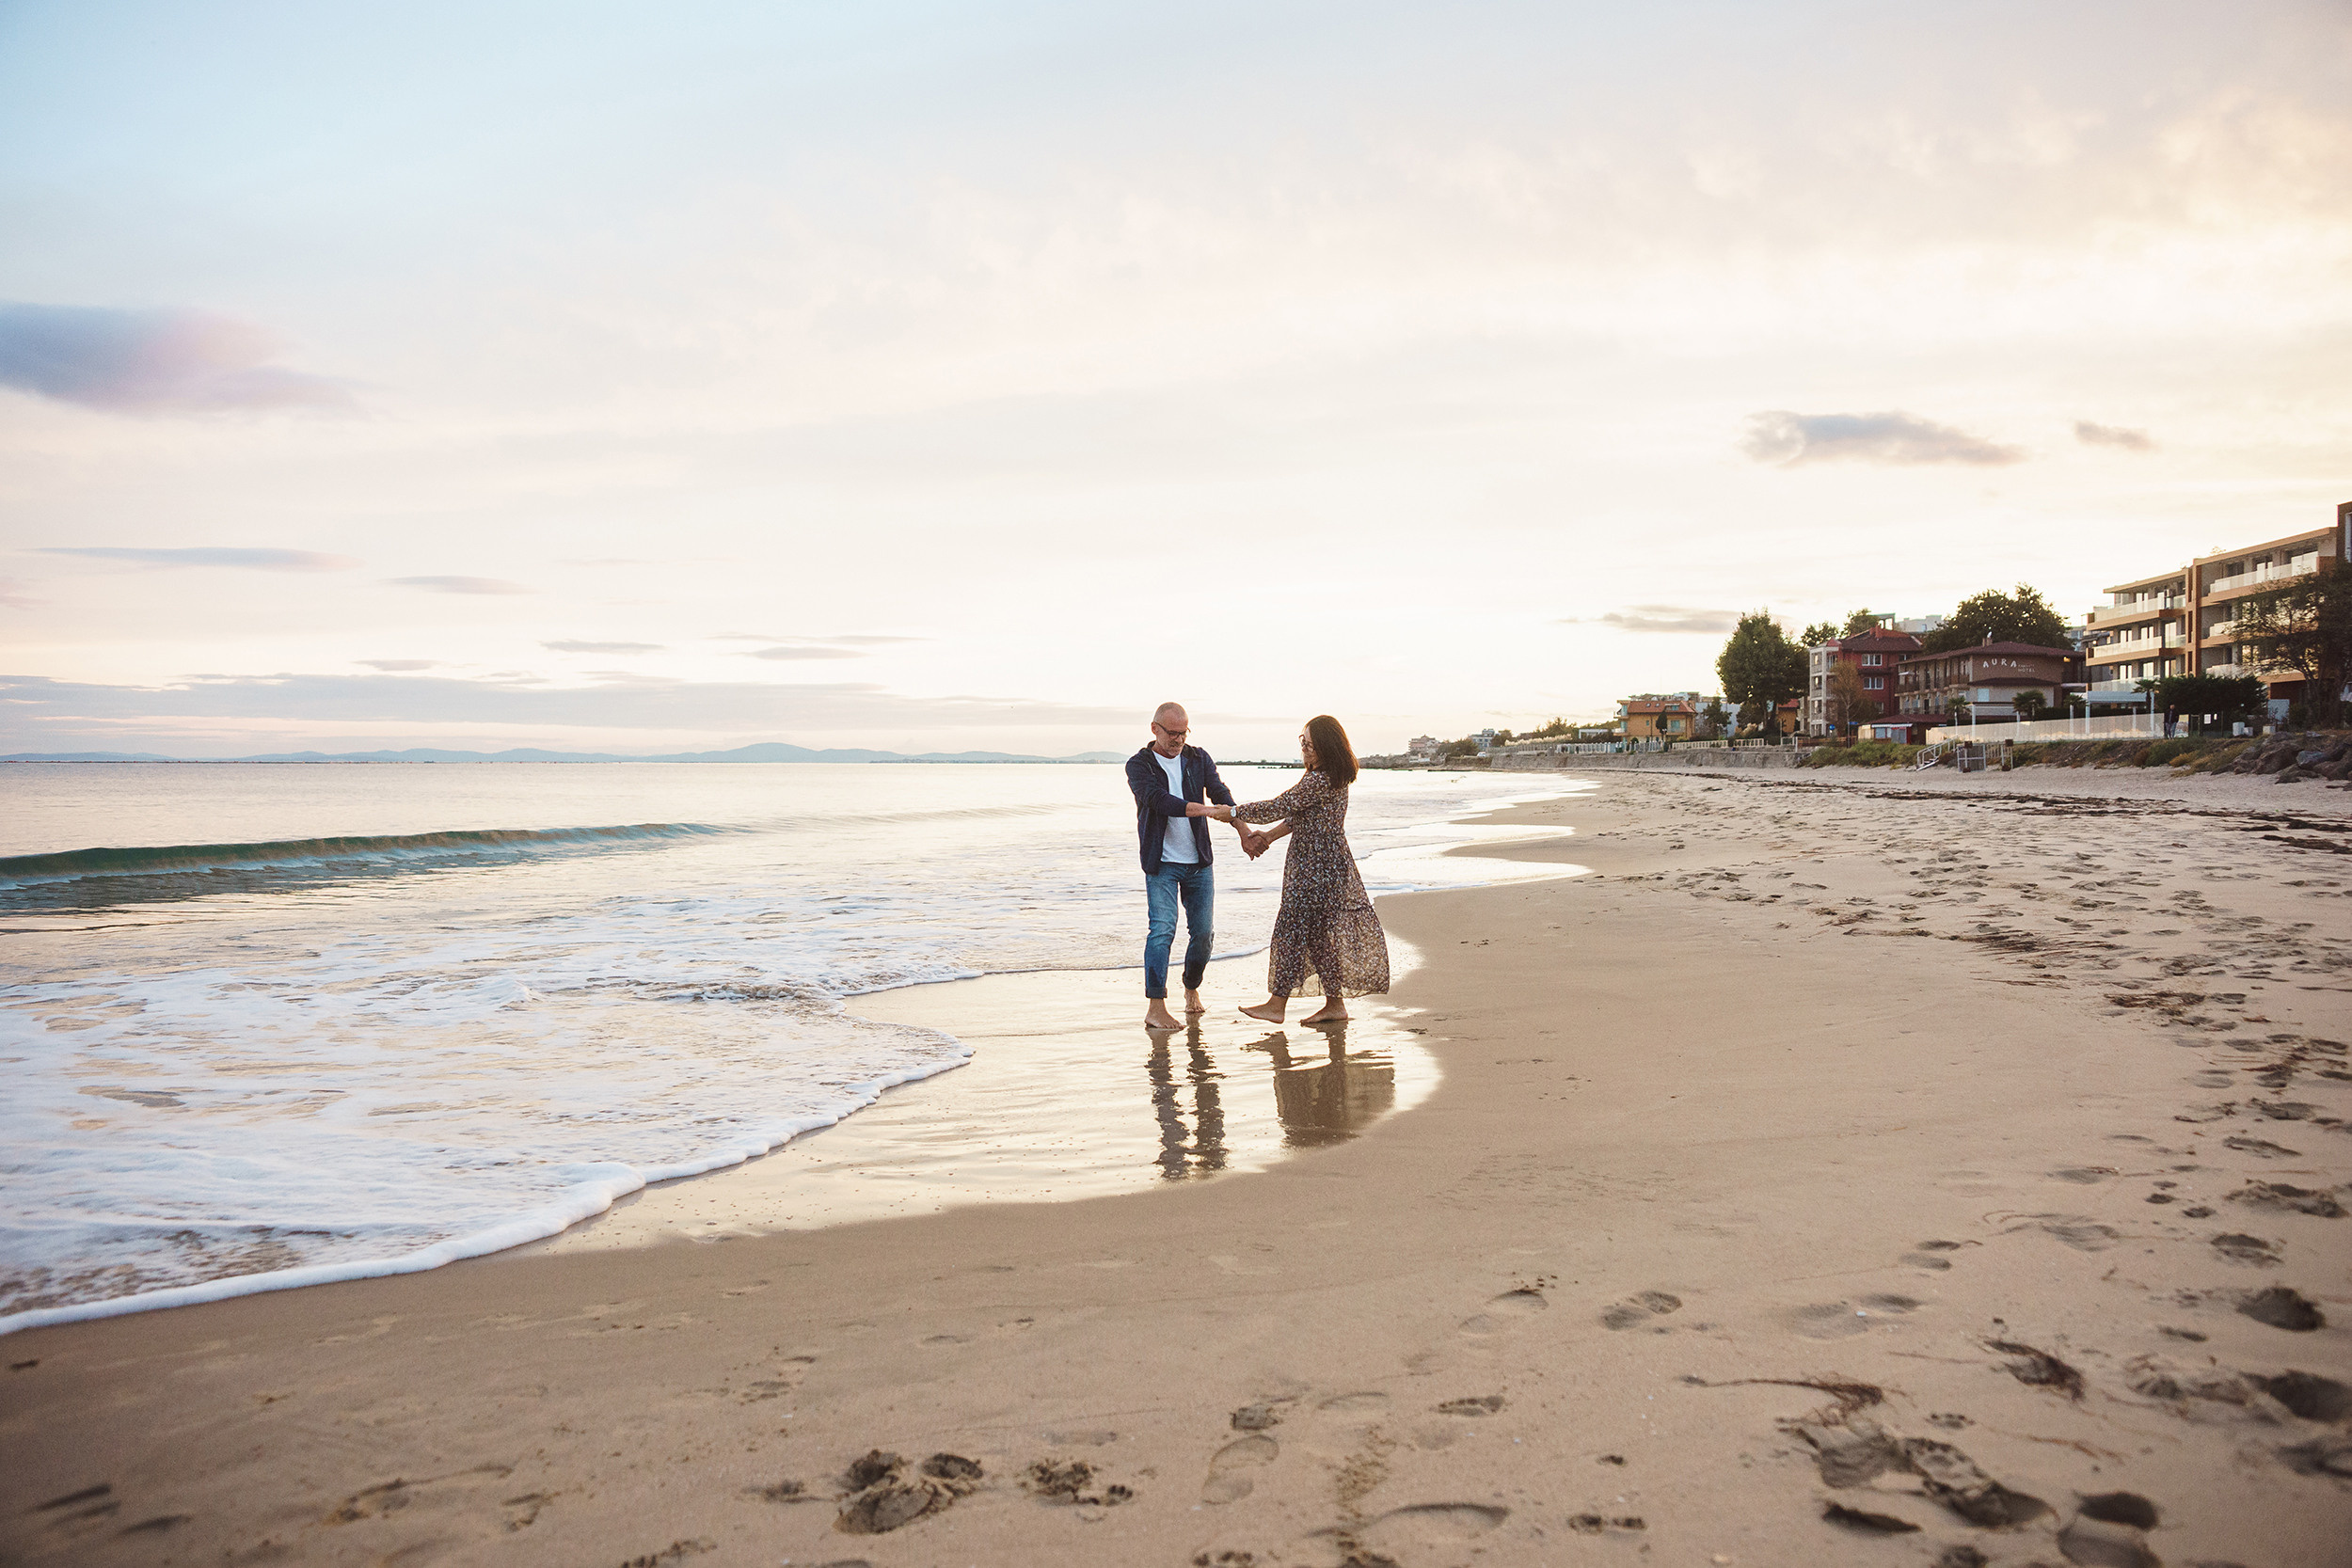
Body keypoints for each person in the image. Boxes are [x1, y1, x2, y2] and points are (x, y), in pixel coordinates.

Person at [1229, 714, 1390, 1024]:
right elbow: (1300, 817)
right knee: (1317, 936)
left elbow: (1279, 806)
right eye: (1301, 742)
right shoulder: (1326, 776)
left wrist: (1231, 811)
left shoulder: (1322, 778)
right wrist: (1270, 837)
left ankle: (1277, 1006)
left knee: (1293, 929)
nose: (1304, 749)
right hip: (1325, 863)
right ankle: (1335, 1005)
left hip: (1316, 865)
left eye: (1310, 745)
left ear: (1326, 748)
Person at [1125, 702, 1243, 1031]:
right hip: (1161, 863)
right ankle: (1156, 1007)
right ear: (1155, 729)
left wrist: (1244, 831)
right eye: (1172, 733)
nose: (1178, 740)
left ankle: (1191, 988)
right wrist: (1206, 811)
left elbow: (1220, 792)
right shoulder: (1139, 765)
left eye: (1183, 732)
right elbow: (1160, 801)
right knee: (1162, 931)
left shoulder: (1198, 757)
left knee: (1203, 934)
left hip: (1198, 863)